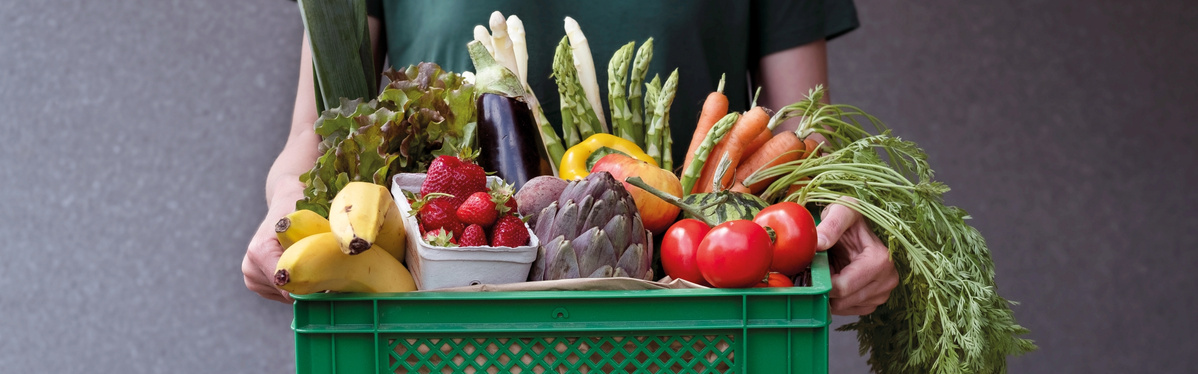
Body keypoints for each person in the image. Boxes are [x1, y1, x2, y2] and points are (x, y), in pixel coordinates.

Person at [243, 0, 897, 315]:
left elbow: (804, 128)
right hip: (454, 316)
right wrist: (285, 209)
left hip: (686, 311)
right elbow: (319, 134)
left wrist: (839, 212)